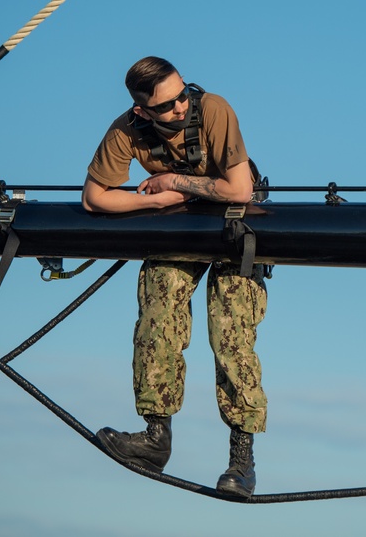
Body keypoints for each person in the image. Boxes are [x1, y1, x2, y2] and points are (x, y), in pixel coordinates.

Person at [82, 56, 267, 498]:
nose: (180, 108)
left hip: (236, 220)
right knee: (157, 312)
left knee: (231, 329)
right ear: (142, 110)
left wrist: (175, 182)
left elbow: (237, 189)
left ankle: (241, 460)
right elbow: (94, 199)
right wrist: (153, 203)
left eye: (183, 95)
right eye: (167, 106)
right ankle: (155, 438)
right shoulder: (127, 129)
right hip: (180, 221)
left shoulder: (214, 110)